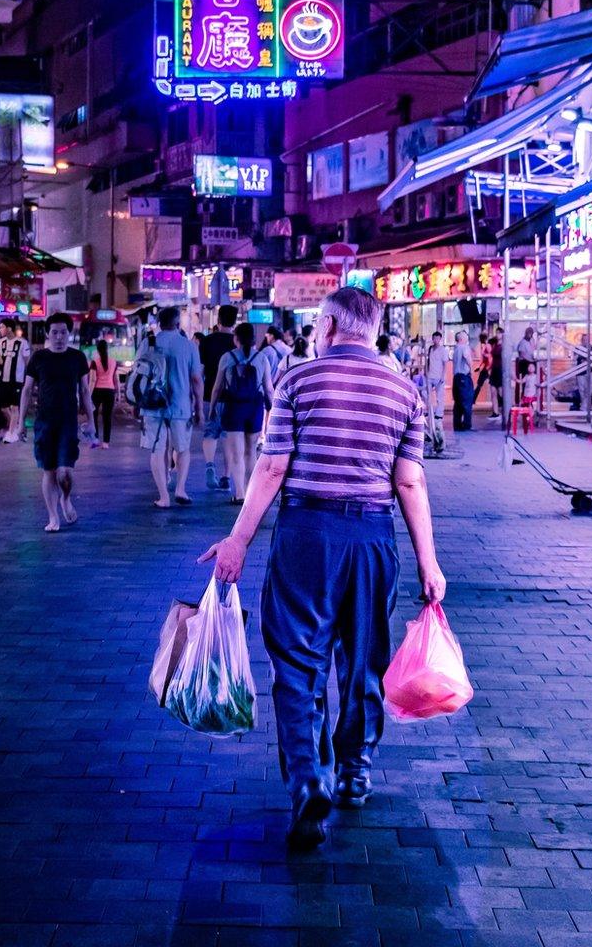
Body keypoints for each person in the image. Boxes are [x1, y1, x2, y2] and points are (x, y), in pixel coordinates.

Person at [199, 287, 446, 849]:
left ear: (330, 325)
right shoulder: (404, 391)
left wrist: (238, 538)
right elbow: (409, 482)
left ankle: (309, 777)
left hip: (306, 538)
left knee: (296, 659)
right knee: (363, 660)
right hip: (371, 538)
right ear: (373, 329)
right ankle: (355, 770)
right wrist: (429, 564)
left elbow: (271, 469)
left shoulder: (297, 381)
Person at [17, 312, 93, 532]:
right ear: (48, 334)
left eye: (63, 332)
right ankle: (53, 517)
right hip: (44, 423)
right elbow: (27, 390)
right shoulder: (39, 358)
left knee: (65, 473)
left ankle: (66, 499)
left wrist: (91, 421)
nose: (59, 337)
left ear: (69, 334)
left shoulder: (77, 358)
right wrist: (21, 423)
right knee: (49, 471)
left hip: (68, 422)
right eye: (55, 332)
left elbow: (85, 391)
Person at [141, 306, 204, 509]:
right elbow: (196, 379)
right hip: (180, 406)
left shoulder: (148, 343)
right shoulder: (188, 346)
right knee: (183, 448)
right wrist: (200, 408)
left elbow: (139, 375)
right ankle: (180, 489)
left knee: (157, 450)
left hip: (152, 405)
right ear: (177, 323)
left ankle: (163, 496)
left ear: (159, 323)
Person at [209, 323, 274, 503]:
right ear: (253, 339)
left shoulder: (227, 358)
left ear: (235, 338)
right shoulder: (261, 358)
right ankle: (250, 492)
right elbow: (269, 388)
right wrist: (273, 409)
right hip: (254, 406)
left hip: (233, 406)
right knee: (251, 452)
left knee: (236, 454)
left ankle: (239, 494)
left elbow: (217, 387)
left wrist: (212, 408)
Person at [199, 305, 237, 491]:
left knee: (210, 433)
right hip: (232, 397)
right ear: (235, 321)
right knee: (228, 437)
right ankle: (226, 477)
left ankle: (209, 466)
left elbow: (201, 371)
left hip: (209, 394)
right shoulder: (237, 343)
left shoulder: (207, 341)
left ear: (218, 320)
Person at [0, 319, 31, 444]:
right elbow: (0, 358)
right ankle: (19, 427)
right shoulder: (1, 342)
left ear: (9, 328)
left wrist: (29, 378)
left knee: (15, 407)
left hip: (17, 380)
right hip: (3, 379)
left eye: (2, 327)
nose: (0, 330)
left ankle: (11, 434)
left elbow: (28, 361)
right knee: (3, 407)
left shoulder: (22, 343)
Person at [89, 335, 118, 449]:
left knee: (94, 416)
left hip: (97, 391)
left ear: (97, 349)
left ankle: (95, 440)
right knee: (107, 417)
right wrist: (118, 393)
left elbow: (92, 380)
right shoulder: (113, 362)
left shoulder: (94, 362)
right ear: (107, 349)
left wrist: (88, 394)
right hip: (110, 391)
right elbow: (115, 378)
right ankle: (106, 443)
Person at [452, 330, 474, 431]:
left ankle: (457, 425)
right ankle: (467, 425)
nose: (467, 339)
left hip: (456, 378)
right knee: (467, 401)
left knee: (458, 402)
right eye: (465, 338)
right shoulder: (464, 347)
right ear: (462, 339)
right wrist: (472, 370)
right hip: (464, 378)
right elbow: (467, 357)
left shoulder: (455, 349)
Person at [425, 332, 449, 427]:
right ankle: (429, 411)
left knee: (439, 396)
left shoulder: (443, 350)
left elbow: (445, 364)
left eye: (437, 338)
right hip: (430, 375)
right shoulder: (430, 348)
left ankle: (439, 414)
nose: (436, 340)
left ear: (440, 339)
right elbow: (428, 361)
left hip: (439, 376)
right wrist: (426, 372)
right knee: (427, 394)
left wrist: (443, 376)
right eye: (434, 338)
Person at [473, 332, 492, 404]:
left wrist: (484, 367)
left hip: (486, 368)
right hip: (486, 368)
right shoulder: (485, 346)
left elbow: (489, 357)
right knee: (480, 385)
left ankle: (473, 399)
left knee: (479, 385)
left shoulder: (486, 346)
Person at [488, 335, 503, 418]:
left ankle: (505, 410)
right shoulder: (495, 345)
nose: (497, 334)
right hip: (494, 369)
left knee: (500, 392)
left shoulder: (503, 346)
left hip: (500, 369)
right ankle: (495, 412)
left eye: (499, 333)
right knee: (493, 391)